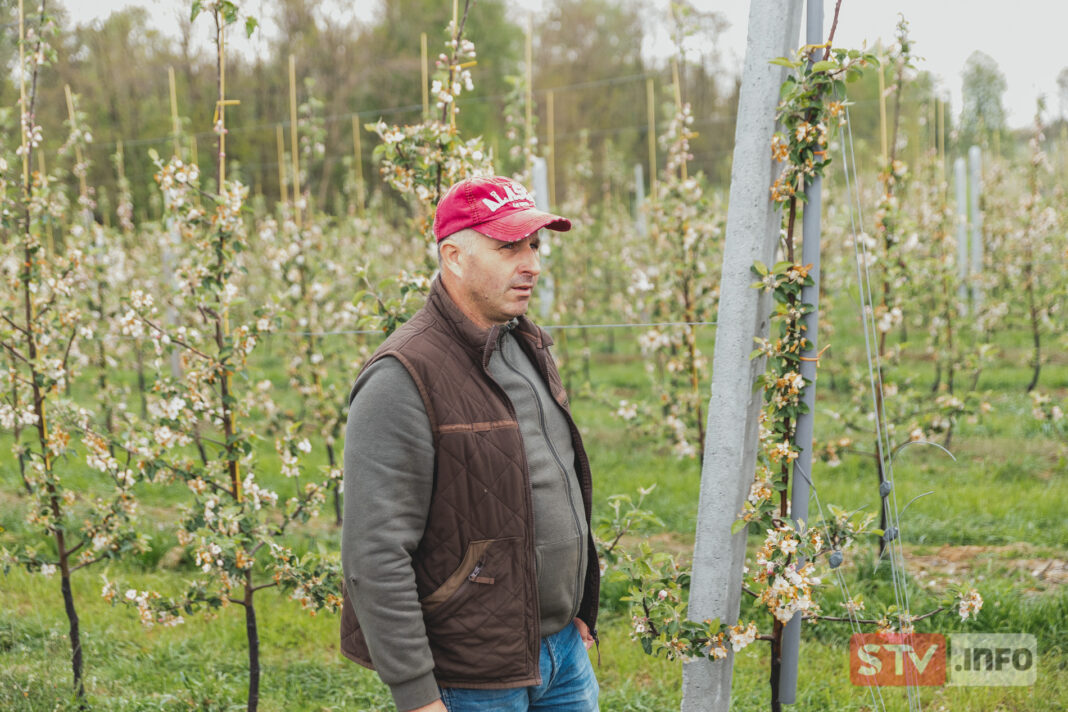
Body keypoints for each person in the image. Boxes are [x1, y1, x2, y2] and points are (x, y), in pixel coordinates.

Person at [340, 175, 601, 712]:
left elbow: (546, 481)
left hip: (562, 655)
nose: (531, 263)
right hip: (473, 678)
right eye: (509, 247)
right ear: (454, 256)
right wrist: (417, 694)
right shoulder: (402, 376)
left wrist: (569, 606)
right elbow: (375, 552)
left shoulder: (522, 343)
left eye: (534, 245)